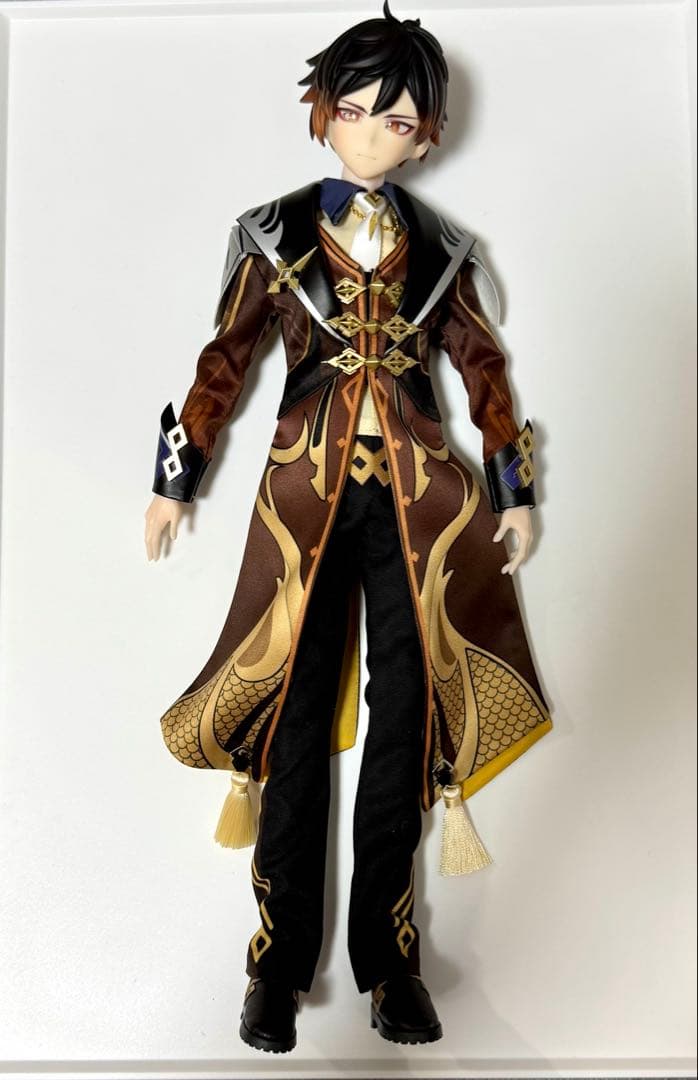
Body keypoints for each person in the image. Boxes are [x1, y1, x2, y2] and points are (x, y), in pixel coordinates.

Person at [144, 1, 552, 1054]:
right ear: (323, 111)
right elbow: (225, 359)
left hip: (421, 508)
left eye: (399, 119)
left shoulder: (441, 248)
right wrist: (177, 475)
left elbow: (482, 369)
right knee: (290, 715)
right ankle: (275, 968)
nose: (374, 133)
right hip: (304, 500)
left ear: (425, 135)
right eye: (357, 109)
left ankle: (391, 960)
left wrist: (511, 487)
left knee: (404, 724)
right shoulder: (274, 234)